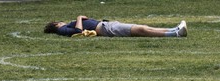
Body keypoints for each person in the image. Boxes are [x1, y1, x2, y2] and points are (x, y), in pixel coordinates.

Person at [44, 15, 187, 38]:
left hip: (106, 25)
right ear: (56, 25)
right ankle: (175, 34)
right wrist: (79, 18)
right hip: (106, 28)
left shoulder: (62, 29)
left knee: (141, 27)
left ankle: (174, 30)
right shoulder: (61, 29)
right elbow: (77, 31)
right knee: (140, 30)